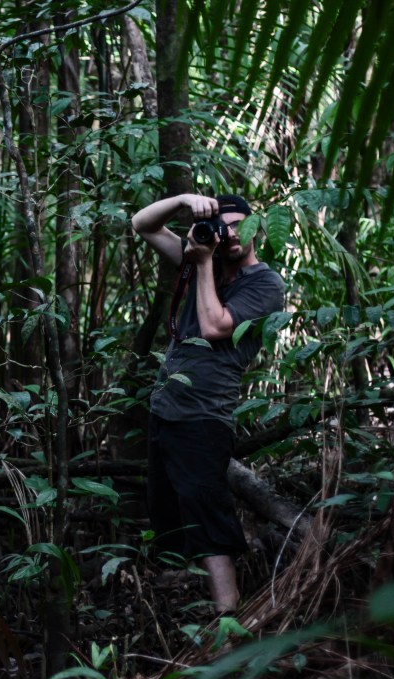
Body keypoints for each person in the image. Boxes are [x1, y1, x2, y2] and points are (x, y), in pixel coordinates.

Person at [131, 193, 285, 616]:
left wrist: (201, 264)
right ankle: (193, 611)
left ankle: (229, 618)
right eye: (223, 226)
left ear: (257, 230)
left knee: (208, 515)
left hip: (204, 414)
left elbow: (216, 326)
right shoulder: (206, 263)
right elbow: (142, 224)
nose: (231, 234)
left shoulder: (265, 284)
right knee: (171, 514)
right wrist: (184, 200)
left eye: (239, 225)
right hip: (167, 409)